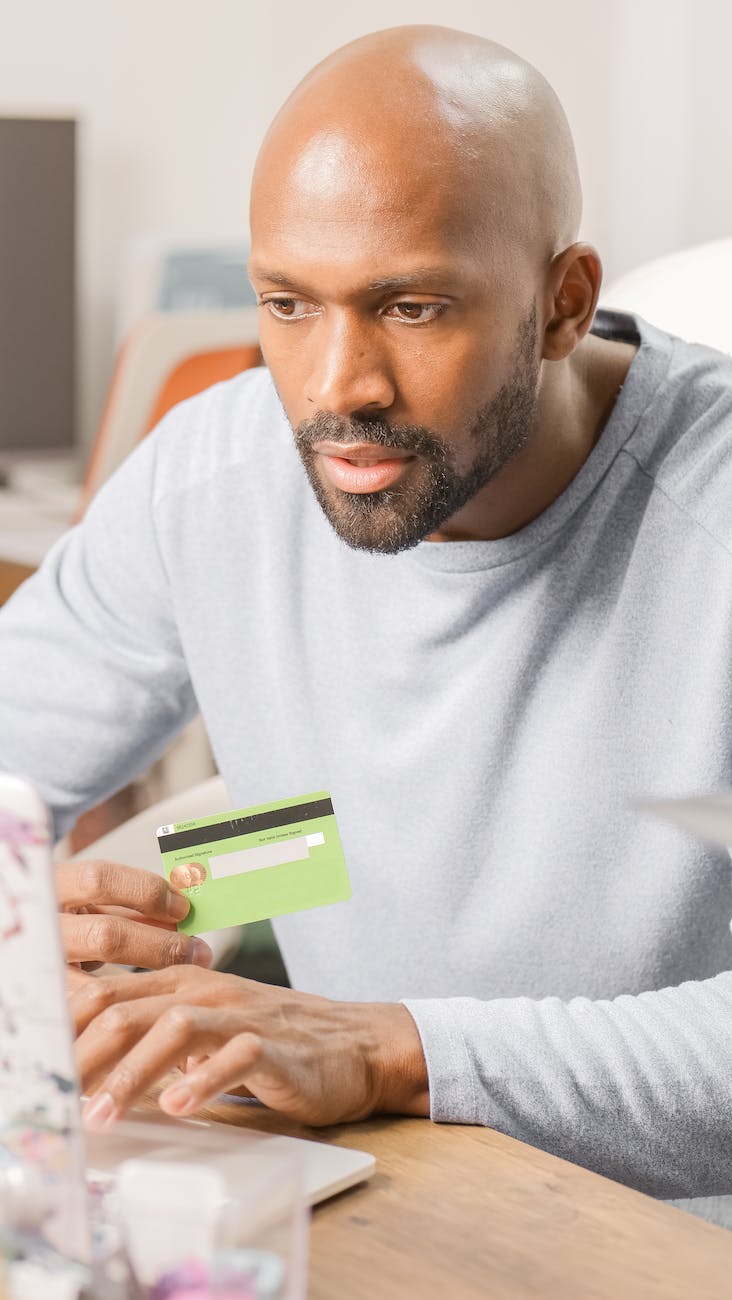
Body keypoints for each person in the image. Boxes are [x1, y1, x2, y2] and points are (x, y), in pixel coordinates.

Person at [2, 24, 732, 1204]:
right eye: (287, 305)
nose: (337, 386)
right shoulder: (215, 480)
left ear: (564, 302)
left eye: (410, 308)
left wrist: (392, 1047)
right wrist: (53, 919)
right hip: (374, 1196)